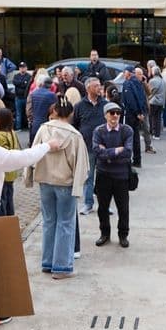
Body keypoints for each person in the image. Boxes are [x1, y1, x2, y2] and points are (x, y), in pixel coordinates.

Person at [26, 97, 90, 279]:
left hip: (45, 180)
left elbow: (33, 151)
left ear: (54, 111)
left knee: (49, 221)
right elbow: (82, 165)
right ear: (70, 114)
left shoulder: (43, 129)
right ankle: (61, 266)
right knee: (66, 223)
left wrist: (29, 177)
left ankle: (47, 262)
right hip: (65, 183)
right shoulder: (75, 135)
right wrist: (79, 187)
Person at [92, 102, 134, 248]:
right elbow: (97, 152)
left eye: (117, 112)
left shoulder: (127, 130)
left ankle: (123, 235)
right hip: (103, 175)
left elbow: (128, 152)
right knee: (102, 207)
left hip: (121, 176)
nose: (115, 115)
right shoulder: (99, 131)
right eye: (111, 112)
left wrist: (108, 154)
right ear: (105, 115)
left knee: (123, 208)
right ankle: (105, 234)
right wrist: (117, 151)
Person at [73, 78, 107, 215]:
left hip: (104, 146)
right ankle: (88, 204)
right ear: (88, 88)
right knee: (89, 177)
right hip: (87, 147)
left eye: (100, 85)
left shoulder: (105, 104)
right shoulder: (79, 106)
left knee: (104, 177)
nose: (99, 88)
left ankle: (104, 206)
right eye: (96, 86)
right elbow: (74, 126)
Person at [0, 108, 26, 217]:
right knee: (9, 199)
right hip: (11, 172)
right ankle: (11, 222)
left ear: (1, 119)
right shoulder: (12, 132)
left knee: (2, 201)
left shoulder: (0, 135)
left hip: (2, 173)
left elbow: (0, 155)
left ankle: (4, 223)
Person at [121, 67, 148, 168]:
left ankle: (128, 160)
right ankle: (137, 160)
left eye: (124, 72)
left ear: (128, 73)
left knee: (128, 137)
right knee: (135, 136)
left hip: (130, 114)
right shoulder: (138, 82)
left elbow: (130, 100)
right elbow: (142, 98)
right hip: (138, 114)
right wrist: (141, 112)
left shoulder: (128, 83)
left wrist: (137, 112)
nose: (124, 74)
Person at [29, 75, 59, 146]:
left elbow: (29, 109)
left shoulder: (33, 93)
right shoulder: (52, 95)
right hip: (46, 124)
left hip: (34, 124)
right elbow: (54, 110)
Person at [12, 62, 32, 130]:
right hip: (18, 97)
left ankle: (27, 126)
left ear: (26, 68)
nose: (22, 69)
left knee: (27, 112)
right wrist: (23, 82)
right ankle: (18, 127)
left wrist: (20, 83)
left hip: (26, 97)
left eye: (23, 67)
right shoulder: (16, 76)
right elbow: (15, 82)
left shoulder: (29, 76)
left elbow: (27, 85)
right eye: (21, 67)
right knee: (18, 113)